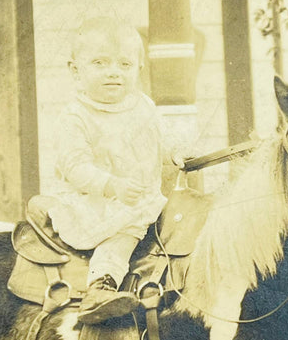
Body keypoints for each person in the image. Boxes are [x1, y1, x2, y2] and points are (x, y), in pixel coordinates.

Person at [38, 17, 181, 324]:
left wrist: (177, 151)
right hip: (96, 203)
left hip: (142, 198)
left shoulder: (143, 107)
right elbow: (75, 166)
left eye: (125, 64)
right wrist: (111, 185)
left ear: (138, 70)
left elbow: (164, 140)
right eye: (100, 63)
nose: (114, 72)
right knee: (120, 238)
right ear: (76, 71)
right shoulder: (75, 117)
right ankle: (100, 287)